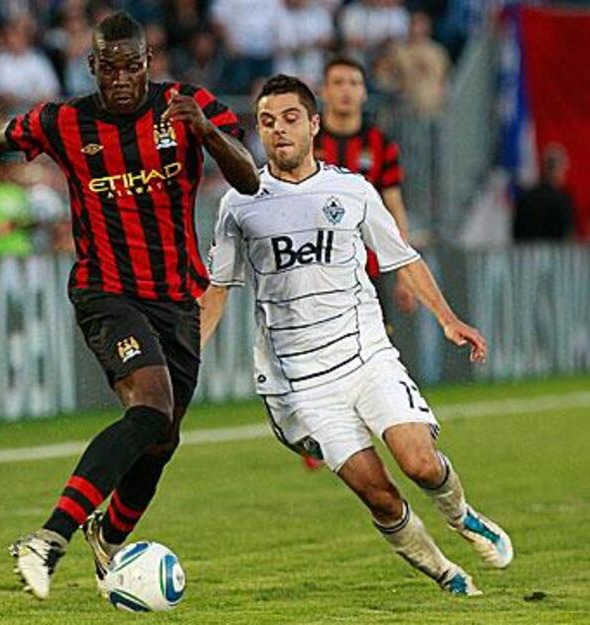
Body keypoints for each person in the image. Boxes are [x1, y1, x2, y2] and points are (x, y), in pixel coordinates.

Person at [0, 10, 259, 600]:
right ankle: (49, 537)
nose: (122, 79)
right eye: (110, 69)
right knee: (152, 407)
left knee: (161, 437)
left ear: (148, 64)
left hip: (178, 297)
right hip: (105, 291)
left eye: (132, 67)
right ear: (94, 68)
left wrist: (208, 134)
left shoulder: (188, 103)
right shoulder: (65, 121)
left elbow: (249, 180)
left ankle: (107, 537)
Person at [200, 74, 512, 596]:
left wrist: (448, 318)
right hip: (300, 384)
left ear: (314, 124)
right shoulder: (240, 204)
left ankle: (462, 515)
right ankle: (444, 572)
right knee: (381, 496)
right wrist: (189, 354)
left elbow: (401, 258)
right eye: (267, 122)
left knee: (419, 461)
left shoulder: (351, 189)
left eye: (291, 118)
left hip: (366, 355)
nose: (279, 131)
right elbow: (218, 287)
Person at [315, 56, 416, 316]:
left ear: (363, 92)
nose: (346, 89)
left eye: (354, 83)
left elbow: (394, 208)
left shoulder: (381, 144)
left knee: (375, 354)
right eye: (338, 83)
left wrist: (405, 276)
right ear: (324, 91)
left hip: (367, 272)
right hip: (313, 271)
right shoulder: (306, 142)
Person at [513, 144, 574, 241]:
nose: (565, 172)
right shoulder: (563, 200)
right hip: (555, 254)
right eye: (564, 168)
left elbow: (516, 235)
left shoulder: (525, 198)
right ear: (558, 169)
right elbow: (567, 237)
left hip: (527, 254)